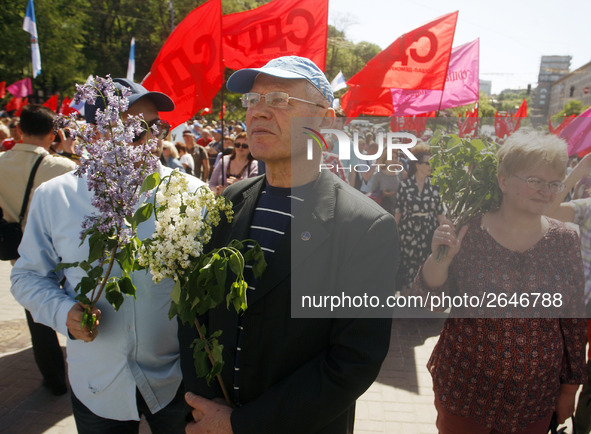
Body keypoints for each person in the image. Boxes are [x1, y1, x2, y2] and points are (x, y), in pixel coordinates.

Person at [179, 55, 398, 433]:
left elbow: (354, 360)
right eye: (252, 100)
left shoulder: (365, 226)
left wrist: (243, 425)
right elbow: (197, 315)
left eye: (279, 99)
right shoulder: (230, 200)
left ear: (325, 120)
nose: (258, 112)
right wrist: (204, 403)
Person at [11, 79, 203, 433]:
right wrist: (62, 312)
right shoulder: (55, 197)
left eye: (156, 127)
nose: (149, 141)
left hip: (175, 380)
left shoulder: (191, 194)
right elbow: (27, 276)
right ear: (95, 136)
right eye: (133, 132)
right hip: (98, 384)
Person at [416, 131, 587, 433]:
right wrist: (441, 258)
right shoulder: (467, 231)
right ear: (503, 180)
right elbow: (430, 303)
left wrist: (569, 389)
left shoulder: (566, 239)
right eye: (534, 180)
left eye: (553, 184)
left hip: (534, 400)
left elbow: (572, 320)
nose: (545, 191)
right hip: (465, 394)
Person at [0, 104, 77, 396]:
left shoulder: (1, 162)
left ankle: (53, 377)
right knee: (74, 303)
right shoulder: (62, 166)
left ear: (18, 130)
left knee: (37, 312)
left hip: (17, 246)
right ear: (54, 133)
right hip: (59, 248)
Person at [545, 152, 591, 433]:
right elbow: (549, 207)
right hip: (578, 308)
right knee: (563, 371)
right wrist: (580, 169)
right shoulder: (587, 207)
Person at [394, 143, 445, 294]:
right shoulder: (404, 186)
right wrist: (393, 233)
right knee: (407, 264)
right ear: (417, 165)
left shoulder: (435, 187)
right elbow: (398, 212)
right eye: (427, 163)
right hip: (408, 232)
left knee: (424, 264)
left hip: (427, 232)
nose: (431, 166)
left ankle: (421, 298)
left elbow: (440, 213)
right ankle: (405, 300)